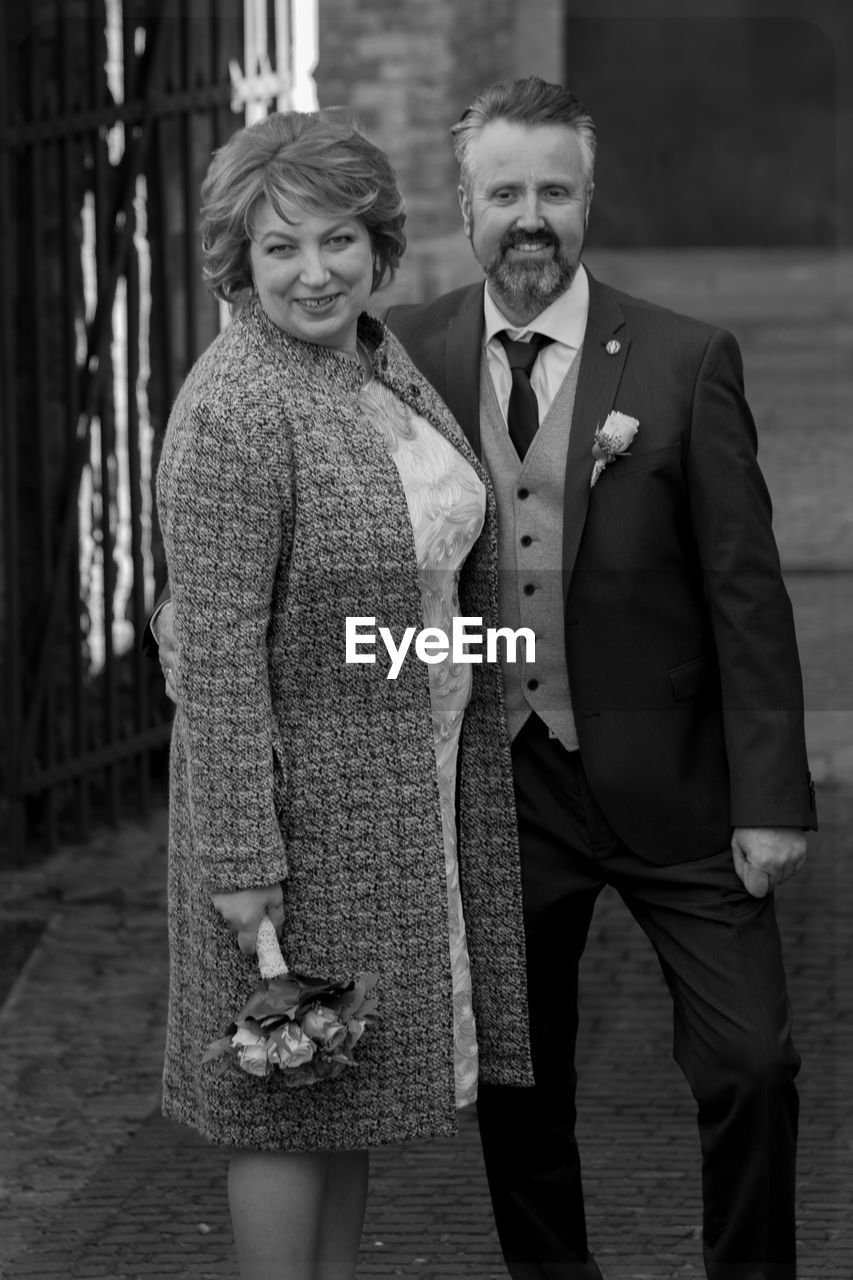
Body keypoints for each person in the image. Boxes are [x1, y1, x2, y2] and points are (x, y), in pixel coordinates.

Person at [151, 79, 817, 1280]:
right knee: (480, 1079)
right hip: (443, 797)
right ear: (463, 203)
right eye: (503, 190)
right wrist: (237, 696)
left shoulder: (625, 359)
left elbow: (742, 593)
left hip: (634, 781)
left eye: (551, 190)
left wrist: (767, 790)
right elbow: (232, 621)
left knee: (745, 1063)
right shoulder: (335, 371)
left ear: (585, 200)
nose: (528, 214)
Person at [152, 107, 532, 1280]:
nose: (315, 270)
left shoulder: (366, 352)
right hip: (294, 820)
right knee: (280, 1090)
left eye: (337, 239)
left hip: (393, 793)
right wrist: (240, 859)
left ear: (377, 246)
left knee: (341, 1084)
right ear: (240, 263)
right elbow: (217, 652)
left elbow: (372, 597)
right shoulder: (236, 404)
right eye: (281, 248)